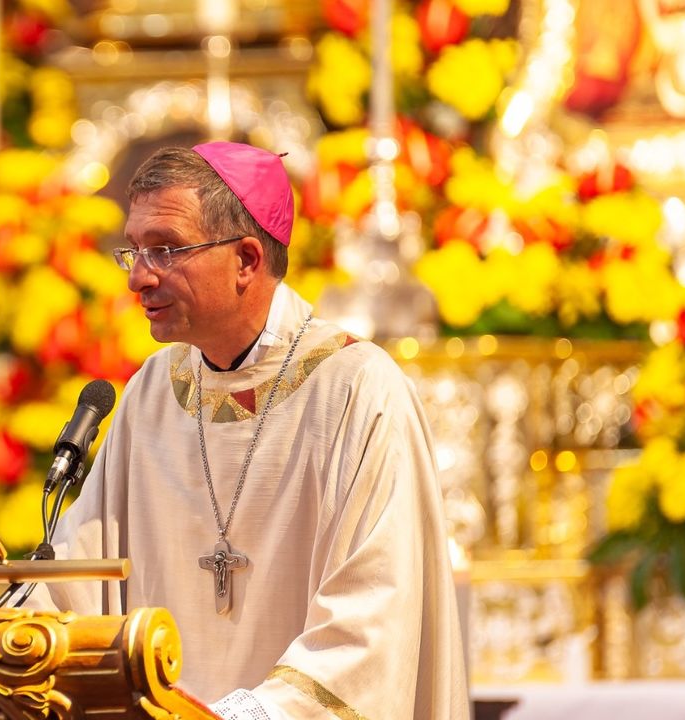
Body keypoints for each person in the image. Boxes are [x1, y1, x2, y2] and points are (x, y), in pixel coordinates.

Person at [36, 142, 469, 719]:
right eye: (133, 251)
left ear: (245, 259)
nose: (139, 278)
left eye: (165, 249)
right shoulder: (152, 394)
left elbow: (371, 624)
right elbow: (76, 579)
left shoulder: (356, 390)